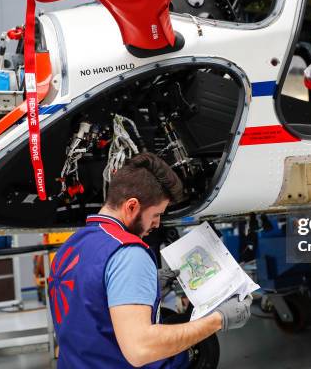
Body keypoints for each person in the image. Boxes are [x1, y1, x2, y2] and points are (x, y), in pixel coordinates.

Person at [48, 152, 252, 368]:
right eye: (156, 214)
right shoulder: (129, 252)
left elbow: (89, 307)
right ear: (132, 206)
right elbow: (140, 349)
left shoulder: (71, 246)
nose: (156, 224)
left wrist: (143, 287)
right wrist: (219, 319)